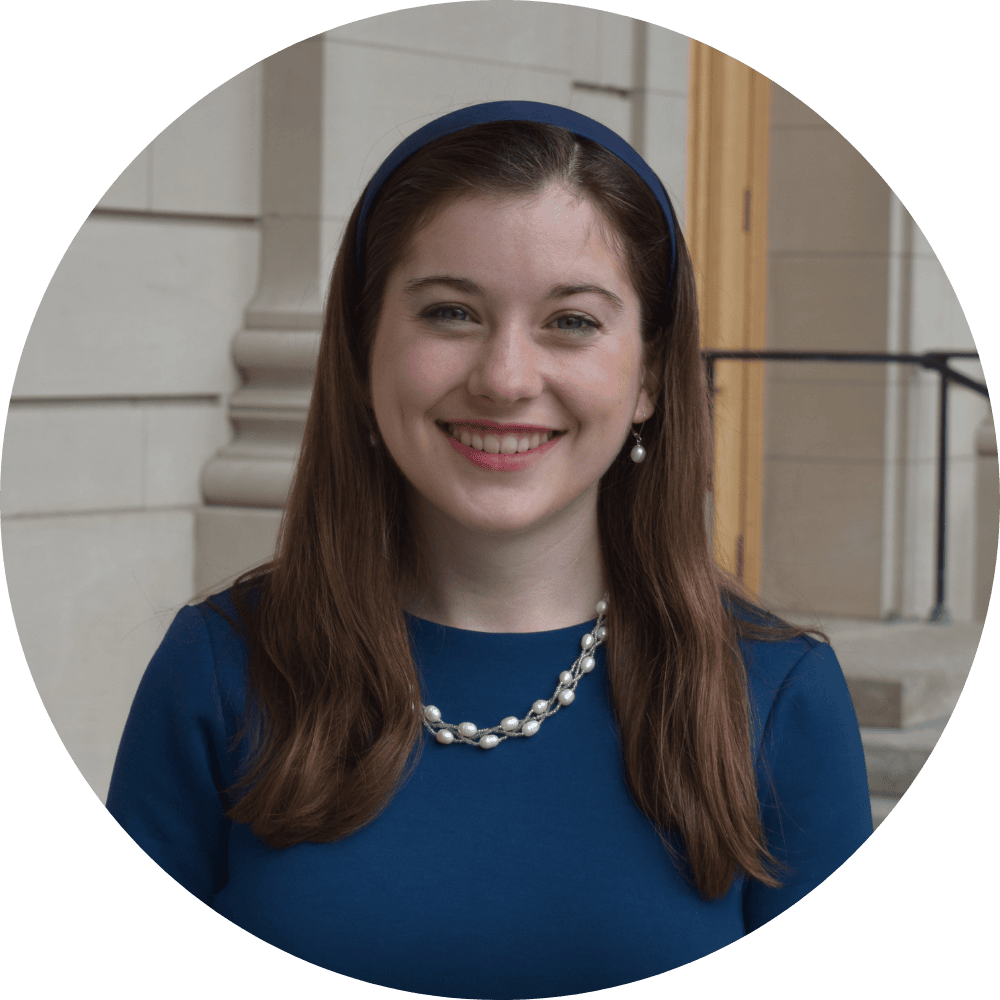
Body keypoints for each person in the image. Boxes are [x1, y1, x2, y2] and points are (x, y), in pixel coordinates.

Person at [107, 102, 872, 998]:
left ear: (651, 378)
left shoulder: (778, 700)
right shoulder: (218, 669)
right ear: (362, 352)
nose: (506, 377)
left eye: (573, 322)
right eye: (451, 312)